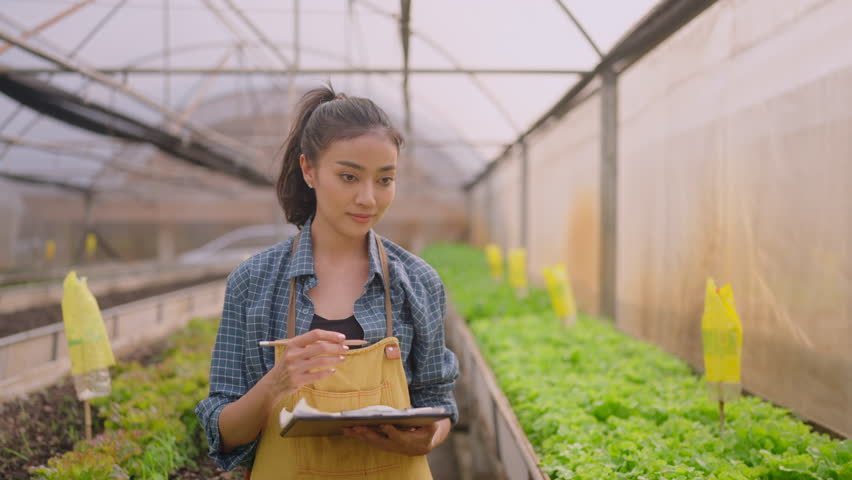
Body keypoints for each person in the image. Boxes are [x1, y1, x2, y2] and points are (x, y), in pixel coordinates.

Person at [195, 85, 459, 479]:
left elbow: (440, 402)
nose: (368, 198)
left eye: (385, 180)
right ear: (309, 170)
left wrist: (428, 437)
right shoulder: (254, 282)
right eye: (349, 176)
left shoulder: (417, 282)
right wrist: (276, 383)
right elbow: (223, 433)